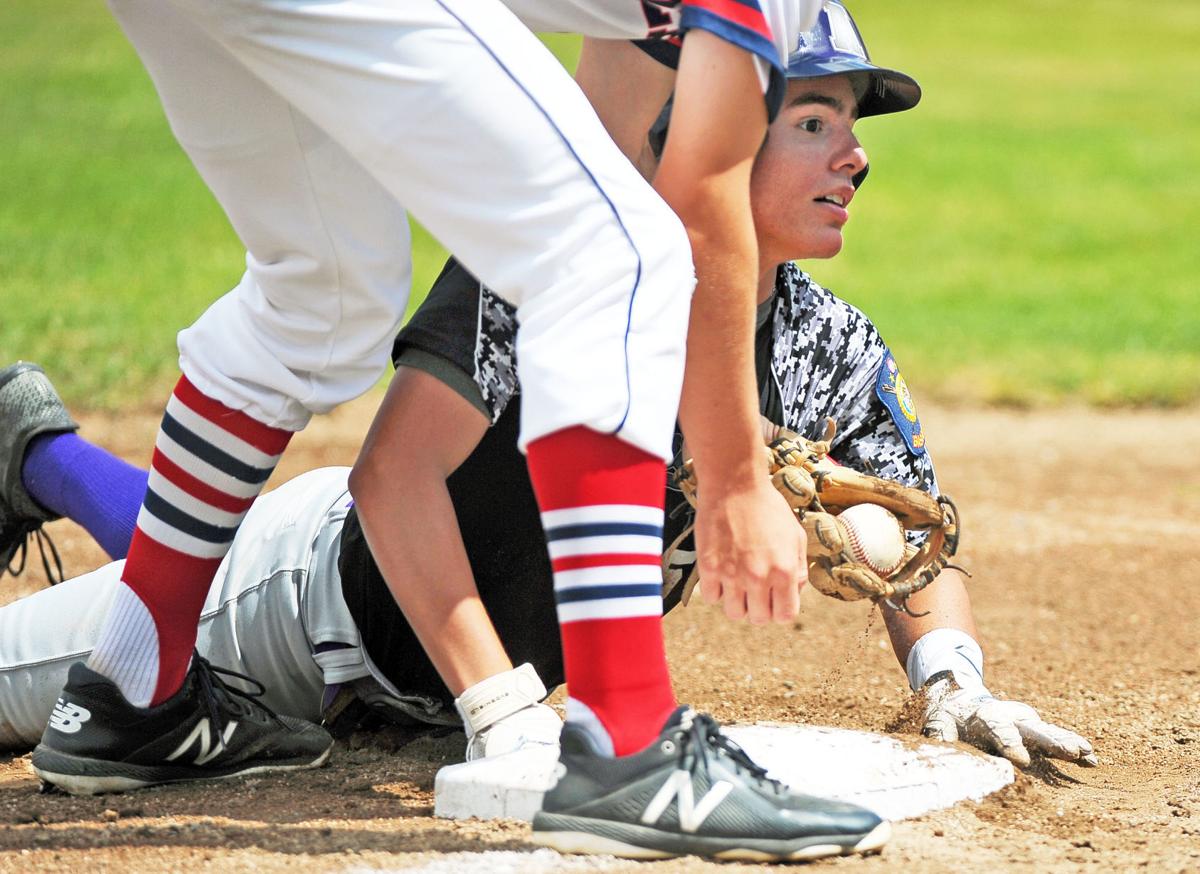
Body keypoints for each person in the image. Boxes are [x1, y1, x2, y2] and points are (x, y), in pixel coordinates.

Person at [2, 6, 1092, 858]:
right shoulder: (546, 256)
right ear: (707, 129)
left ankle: (33, 450)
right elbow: (389, 487)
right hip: (304, 605)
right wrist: (501, 707)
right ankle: (42, 457)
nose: (855, 157)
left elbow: (916, 523)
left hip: (426, 674)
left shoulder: (826, 344)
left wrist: (950, 672)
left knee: (293, 343)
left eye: (853, 129)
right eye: (812, 122)